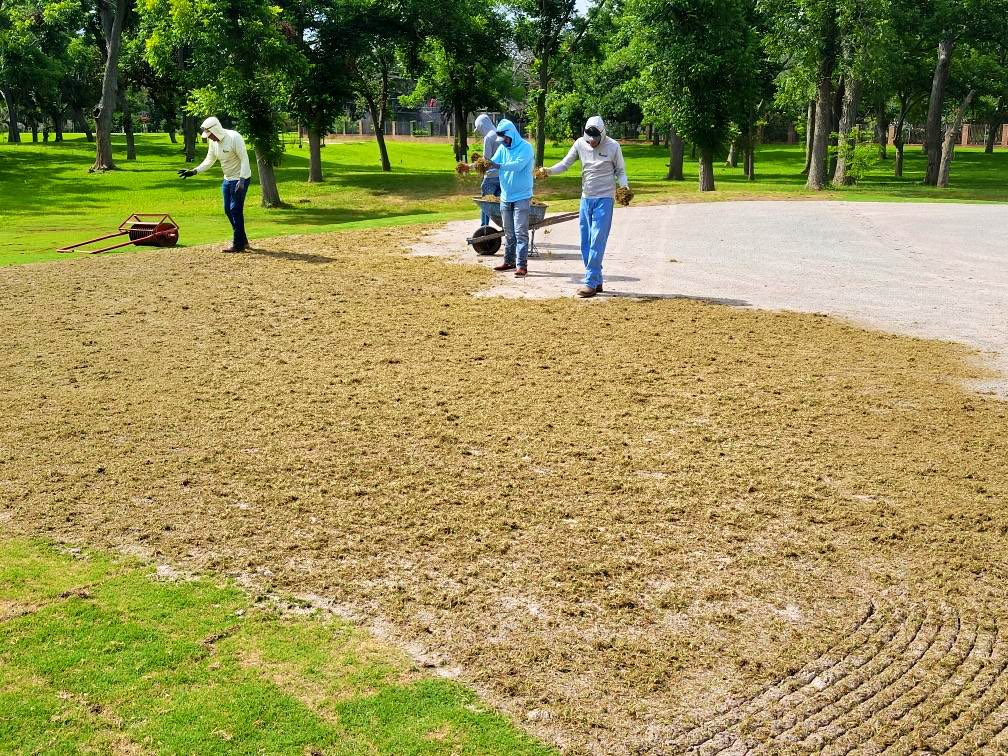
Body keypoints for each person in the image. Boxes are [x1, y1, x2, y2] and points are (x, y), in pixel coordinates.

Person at [539, 116, 629, 297]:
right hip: (586, 198)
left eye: (596, 138)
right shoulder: (580, 144)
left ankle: (590, 282)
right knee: (585, 242)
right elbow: (565, 164)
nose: (592, 142)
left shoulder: (613, 146)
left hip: (604, 199)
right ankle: (597, 279)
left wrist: (624, 187)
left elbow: (620, 171)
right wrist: (548, 171)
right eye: (590, 138)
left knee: (597, 240)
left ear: (603, 134)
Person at [177, 117, 252, 253]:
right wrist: (194, 171)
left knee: (235, 209)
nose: (210, 138)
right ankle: (243, 240)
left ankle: (238, 244)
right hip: (227, 179)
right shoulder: (213, 142)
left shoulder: (234, 137)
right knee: (228, 210)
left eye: (210, 135)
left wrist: (242, 180)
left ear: (216, 130)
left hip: (240, 178)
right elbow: (209, 159)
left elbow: (244, 159)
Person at [486, 119, 535, 277]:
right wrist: (476, 166)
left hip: (522, 196)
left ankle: (522, 265)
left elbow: (518, 165)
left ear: (512, 134)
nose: (504, 142)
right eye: (502, 139)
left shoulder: (526, 148)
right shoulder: (502, 148)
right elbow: (492, 163)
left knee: (520, 232)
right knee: (508, 232)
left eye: (505, 138)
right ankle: (509, 261)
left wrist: (498, 165)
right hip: (505, 196)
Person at [473, 113, 501, 226]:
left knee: (486, 203)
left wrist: (472, 165)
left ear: (481, 126)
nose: (479, 132)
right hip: (503, 176)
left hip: (491, 177)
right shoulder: (501, 134)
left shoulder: (488, 137)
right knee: (501, 204)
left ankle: (484, 227)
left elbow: (486, 161)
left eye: (479, 129)